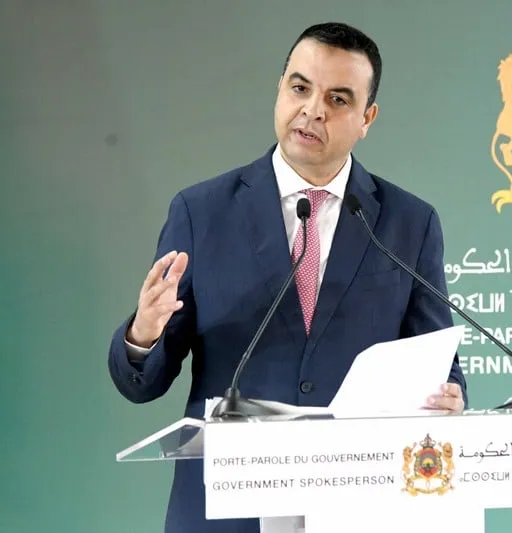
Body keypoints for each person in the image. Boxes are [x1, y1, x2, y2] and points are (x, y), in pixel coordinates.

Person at [107, 21, 468, 533]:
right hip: (230, 509)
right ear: (280, 89)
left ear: (367, 118)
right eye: (300, 88)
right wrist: (143, 334)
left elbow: (439, 365)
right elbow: (144, 383)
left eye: (338, 99)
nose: (313, 109)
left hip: (359, 504)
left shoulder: (408, 223)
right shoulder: (201, 212)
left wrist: (449, 398)